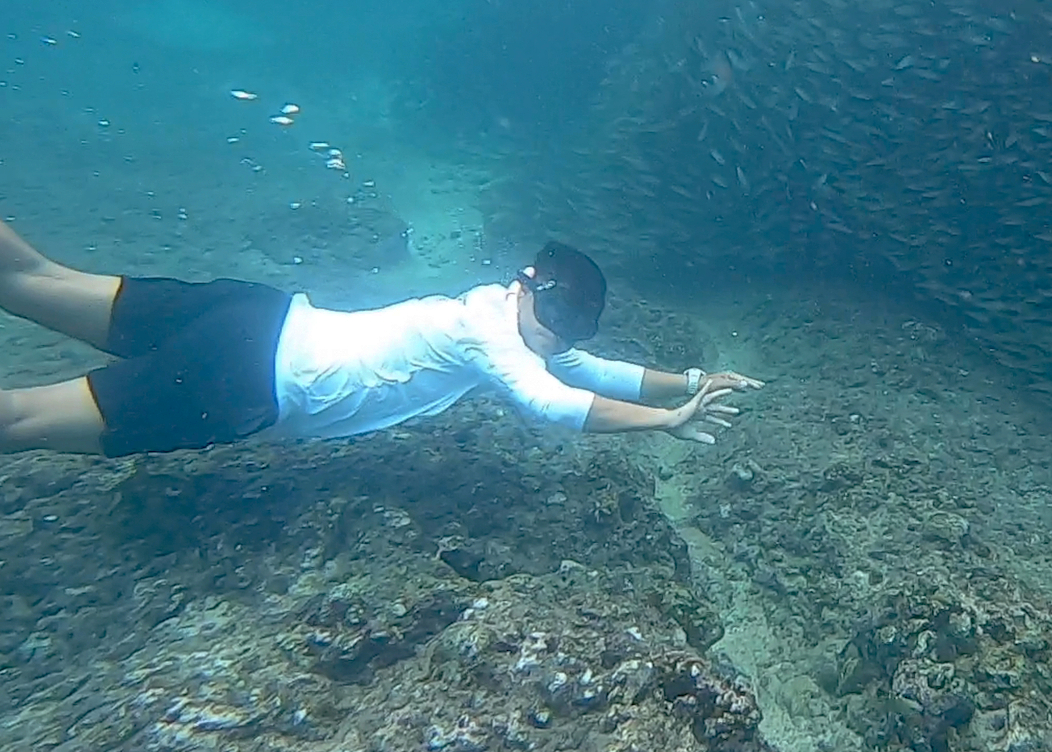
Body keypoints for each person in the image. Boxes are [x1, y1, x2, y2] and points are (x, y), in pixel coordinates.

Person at [0, 220, 762, 456]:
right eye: (556, 320)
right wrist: (667, 423)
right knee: (24, 419)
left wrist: (691, 382)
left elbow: (585, 372)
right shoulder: (485, 333)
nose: (559, 339)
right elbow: (552, 405)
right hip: (242, 377)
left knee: (32, 275)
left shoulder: (497, 313)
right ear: (527, 287)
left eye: (572, 328)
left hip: (255, 315)